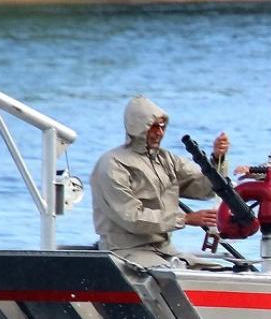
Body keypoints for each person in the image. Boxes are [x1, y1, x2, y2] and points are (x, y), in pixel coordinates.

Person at [90, 95, 230, 267]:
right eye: (153, 127)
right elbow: (132, 218)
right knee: (169, 276)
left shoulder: (166, 159)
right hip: (126, 251)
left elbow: (205, 189)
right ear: (137, 127)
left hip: (165, 250)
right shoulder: (112, 165)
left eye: (162, 127)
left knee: (217, 271)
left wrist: (217, 159)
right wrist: (185, 219)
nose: (160, 133)